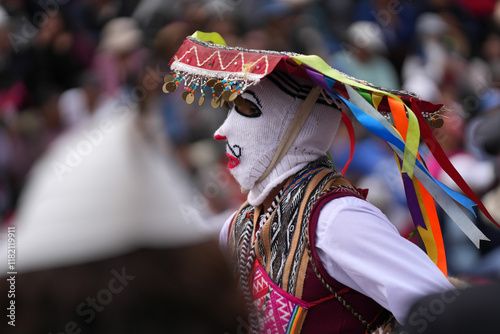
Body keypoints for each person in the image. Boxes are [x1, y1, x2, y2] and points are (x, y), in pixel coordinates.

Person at [164, 32, 498, 333]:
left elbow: (447, 314)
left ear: (291, 128)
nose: (221, 131)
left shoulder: (337, 220)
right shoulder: (238, 227)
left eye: (245, 110)